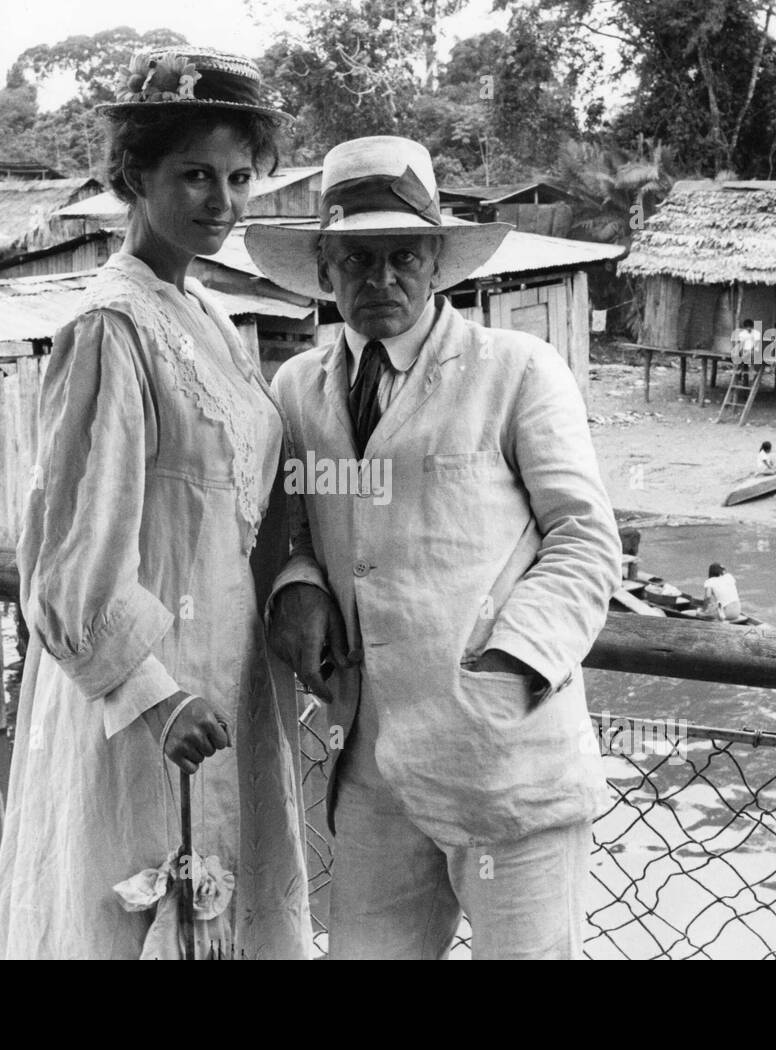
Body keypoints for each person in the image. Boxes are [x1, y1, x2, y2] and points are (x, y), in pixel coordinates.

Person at [247, 136, 621, 960]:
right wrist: (298, 583)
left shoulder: (517, 369)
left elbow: (585, 538)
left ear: (435, 262)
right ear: (323, 267)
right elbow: (298, 524)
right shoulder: (297, 390)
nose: (380, 279)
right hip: (372, 770)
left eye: (402, 256)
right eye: (357, 258)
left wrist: (510, 669)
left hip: (511, 769)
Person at [0, 47, 310, 960]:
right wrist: (155, 695)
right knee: (135, 910)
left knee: (227, 905)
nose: (223, 201)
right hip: (147, 703)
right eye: (194, 176)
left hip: (229, 672)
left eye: (240, 177)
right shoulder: (109, 329)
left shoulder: (204, 314)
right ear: (134, 175)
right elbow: (64, 558)